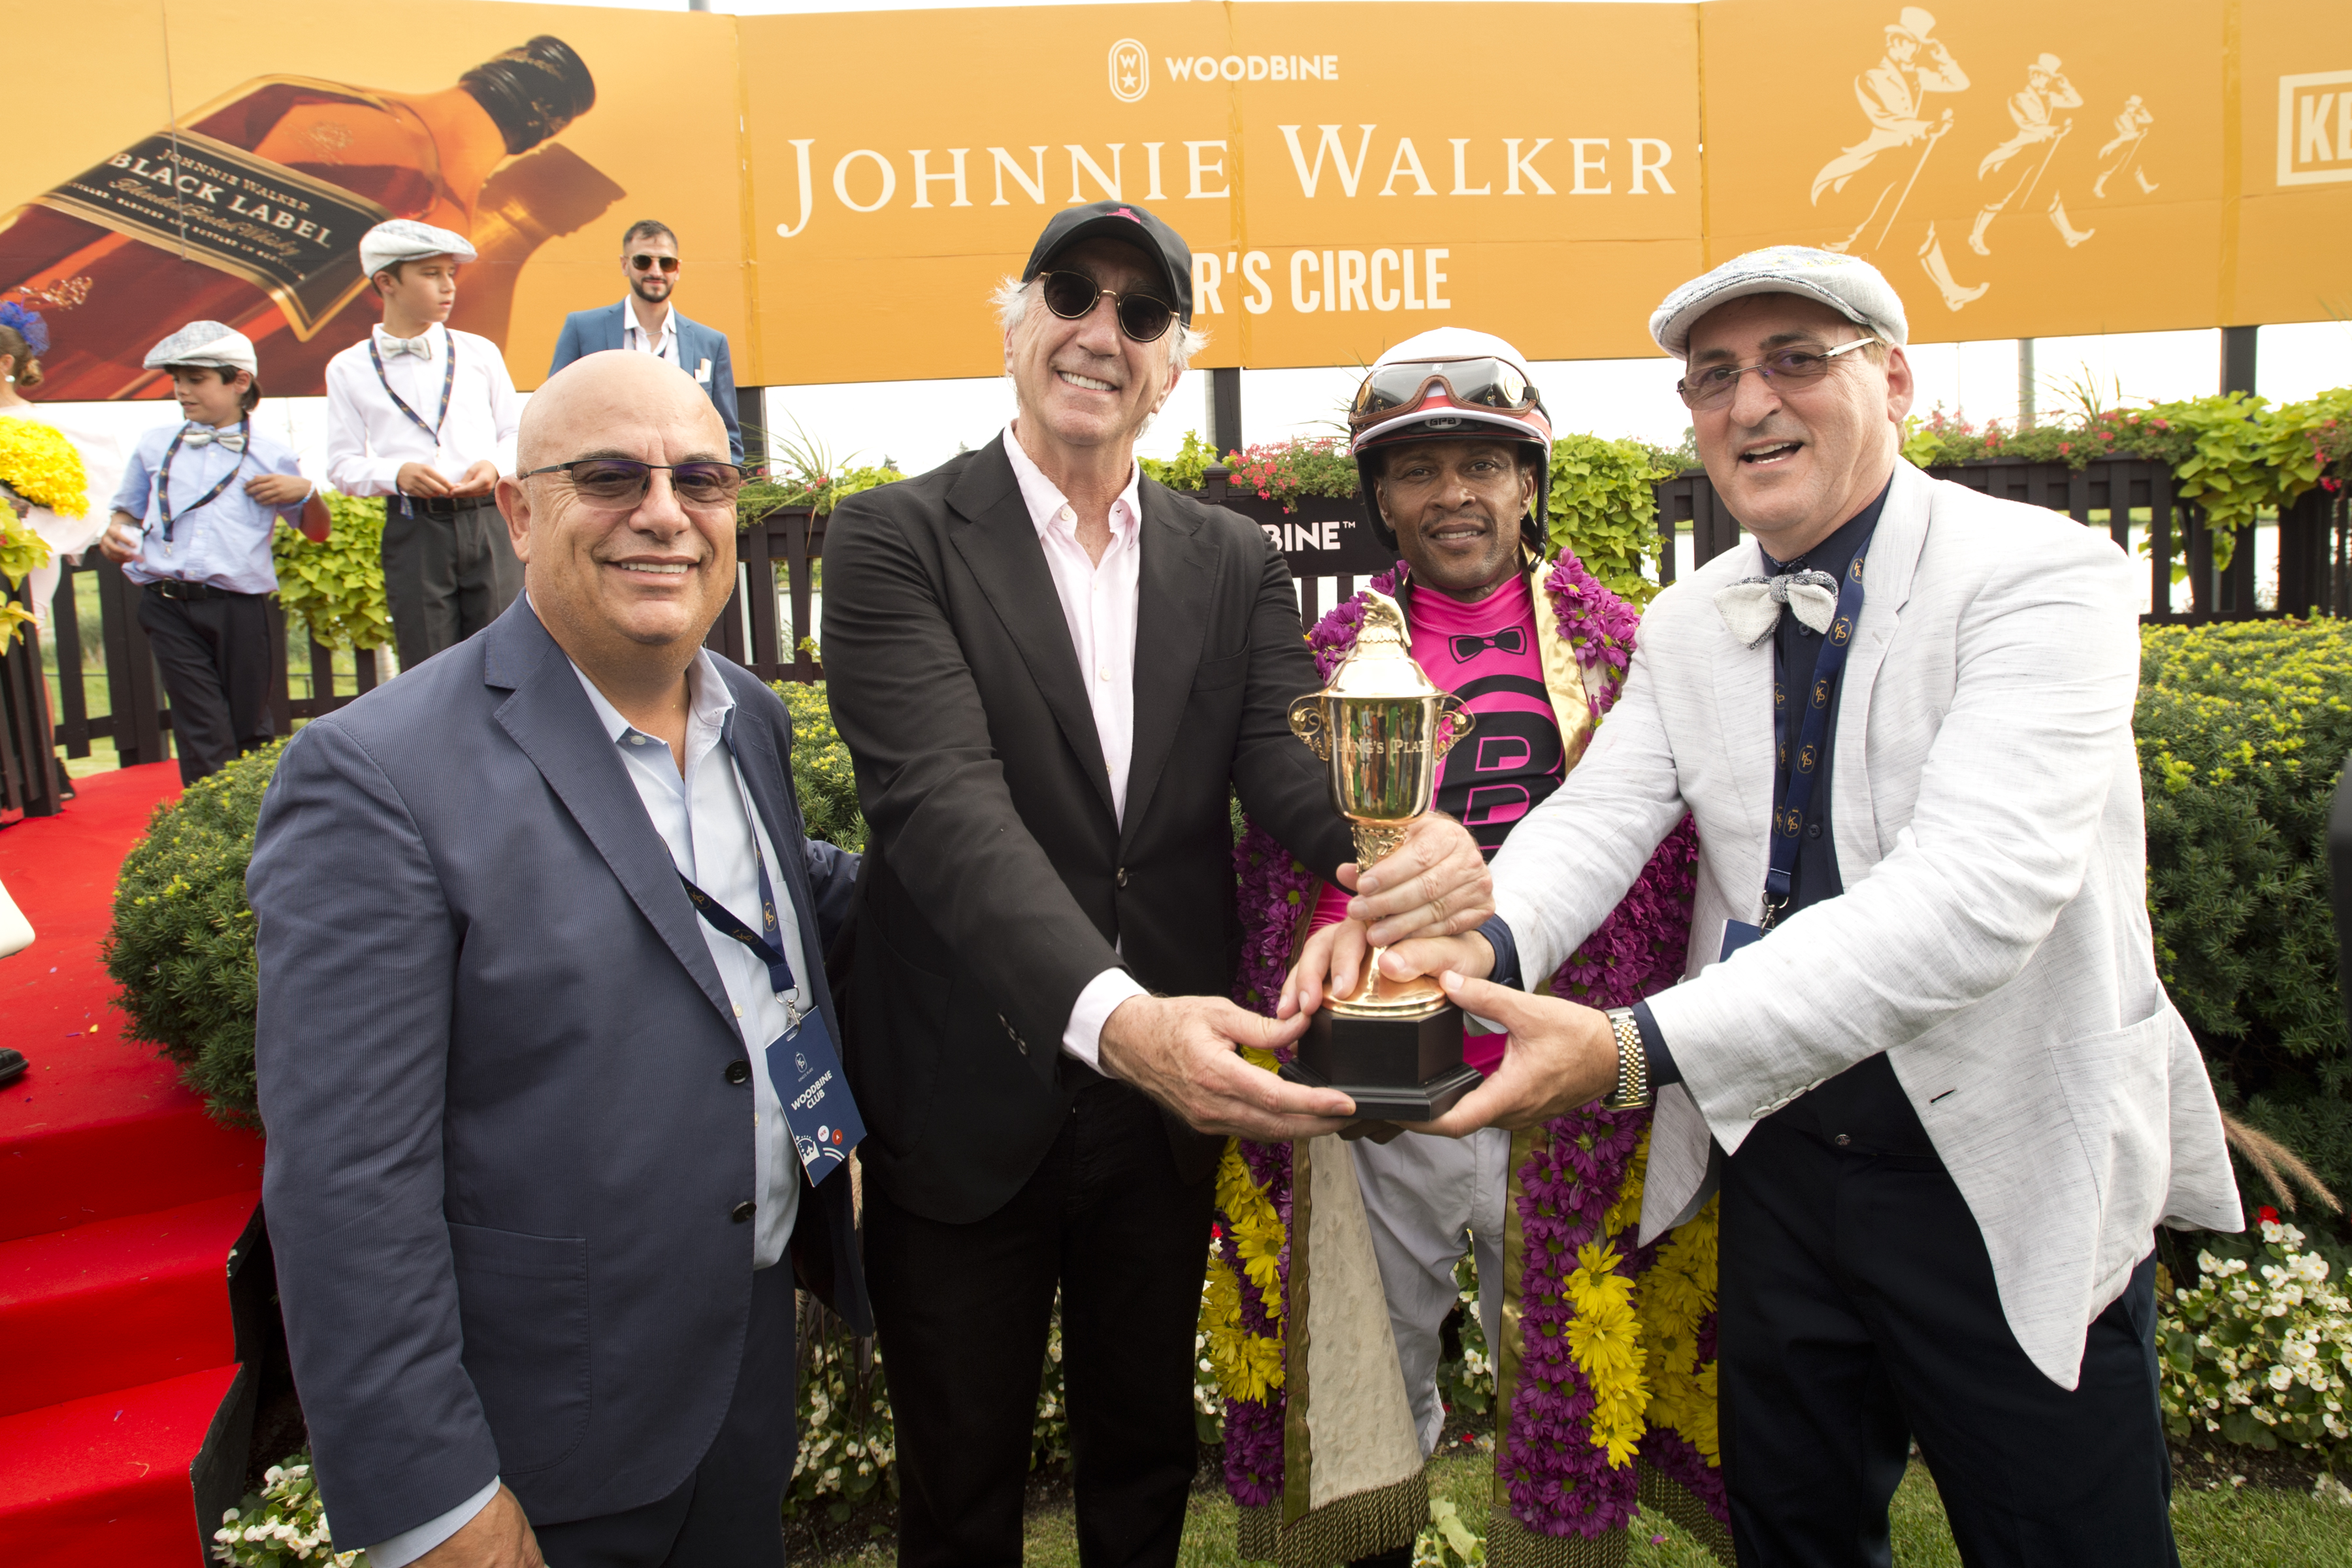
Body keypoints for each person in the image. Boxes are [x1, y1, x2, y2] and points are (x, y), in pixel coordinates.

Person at [1290, 245, 2240, 1565]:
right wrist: (1467, 941)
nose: (1752, 403)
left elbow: (1973, 898)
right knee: (1794, 1537)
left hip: (2000, 1162)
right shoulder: (1690, 620)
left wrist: (1632, 1051)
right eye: (1717, 376)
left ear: (1895, 379)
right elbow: (1601, 818)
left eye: (1799, 359)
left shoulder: (2045, 576)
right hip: (1778, 1164)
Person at [819, 200, 1494, 1568]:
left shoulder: (1228, 557)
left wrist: (1399, 842)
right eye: (1071, 292)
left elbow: (1291, 769)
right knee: (961, 1486)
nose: (1100, 330)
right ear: (1014, 321)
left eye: (1140, 312)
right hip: (970, 1088)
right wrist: (1123, 1019)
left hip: (1159, 1113)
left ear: (1174, 359)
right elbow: (944, 811)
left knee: (1141, 1458)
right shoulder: (893, 539)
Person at [250, 351, 866, 1568]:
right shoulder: (374, 779)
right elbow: (345, 1191)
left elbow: (774, 926)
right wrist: (436, 1507)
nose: (662, 512)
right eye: (608, 476)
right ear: (518, 512)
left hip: (739, 1376)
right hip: (538, 1448)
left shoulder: (747, 717)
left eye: (700, 478)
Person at [96, 323, 318, 785]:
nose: (181, 390)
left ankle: (253, 829)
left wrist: (307, 491)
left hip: (239, 607)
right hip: (166, 603)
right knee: (201, 724)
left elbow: (316, 531)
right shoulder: (154, 444)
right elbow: (124, 514)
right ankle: (206, 827)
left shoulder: (273, 452)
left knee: (249, 724)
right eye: (177, 379)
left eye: (195, 379)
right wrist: (115, 534)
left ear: (239, 381)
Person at [327, 219, 525, 673]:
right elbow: (340, 465)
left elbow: (517, 434)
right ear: (386, 282)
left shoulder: (480, 353)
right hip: (414, 529)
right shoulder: (348, 368)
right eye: (431, 274)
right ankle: (438, 746)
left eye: (450, 273)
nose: (447, 286)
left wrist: (493, 466)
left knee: (506, 655)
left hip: (489, 521)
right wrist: (395, 474)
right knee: (428, 666)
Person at [547, 220, 743, 465]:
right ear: (625, 265)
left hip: (683, 487)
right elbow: (552, 414)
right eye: (643, 261)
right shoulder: (582, 329)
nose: (656, 271)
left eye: (666, 262)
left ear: (678, 269)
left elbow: (727, 437)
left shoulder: (711, 343)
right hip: (606, 485)